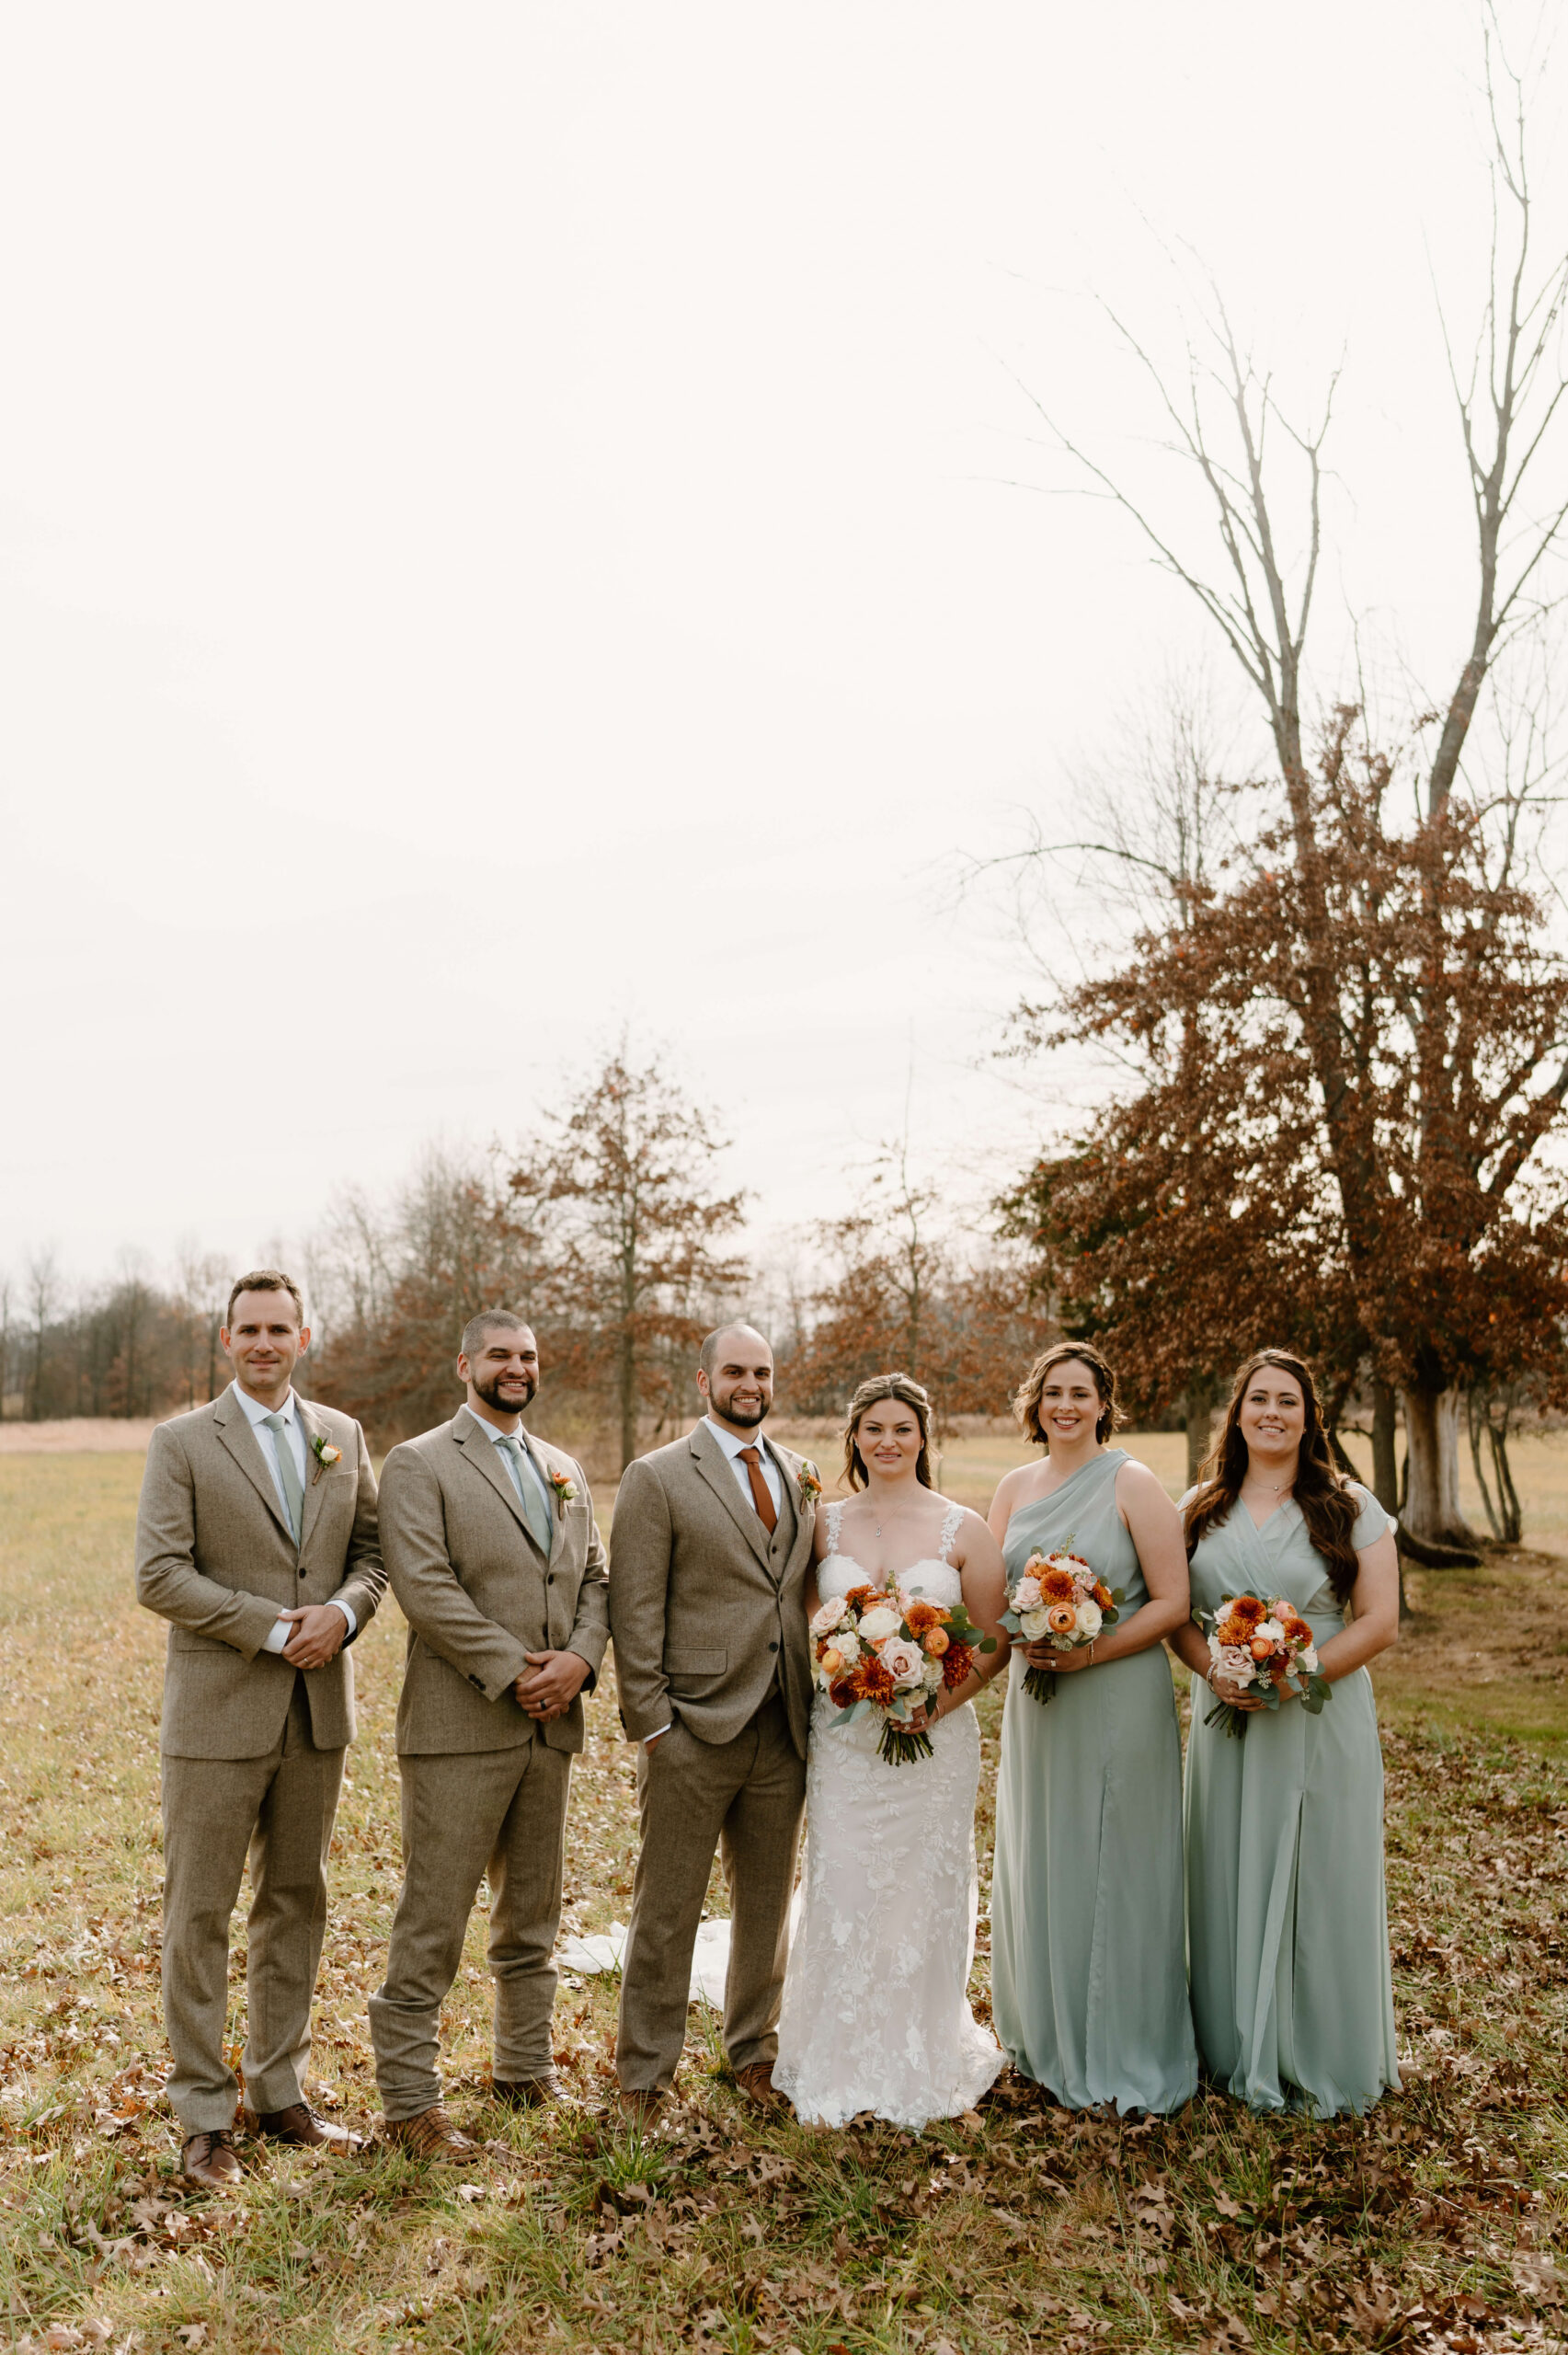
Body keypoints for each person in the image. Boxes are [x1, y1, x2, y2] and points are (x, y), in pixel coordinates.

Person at [135, 1269, 385, 2188]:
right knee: (198, 1914)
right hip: (217, 1712)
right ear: (226, 1341)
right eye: (250, 1328)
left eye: (281, 1327)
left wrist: (346, 1614)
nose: (265, 1341)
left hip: (318, 1714)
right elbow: (158, 1574)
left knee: (298, 1901)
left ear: (305, 1336)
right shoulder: (183, 1442)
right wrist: (277, 1626)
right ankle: (203, 2115)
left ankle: (280, 2091)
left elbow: (372, 1551)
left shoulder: (343, 1437)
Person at [368, 1312, 608, 2158]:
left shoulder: (563, 1468)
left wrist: (579, 1660)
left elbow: (597, 1578)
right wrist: (517, 1670)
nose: (516, 1368)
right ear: (464, 1362)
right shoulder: (421, 1462)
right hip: (460, 1727)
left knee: (532, 1915)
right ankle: (408, 2105)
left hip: (552, 1726)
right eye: (500, 1355)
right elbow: (424, 1586)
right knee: (433, 1918)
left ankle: (522, 2069)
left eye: (529, 1356)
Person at [773, 1373, 1011, 2129]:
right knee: (843, 1876)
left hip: (934, 1741)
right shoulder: (823, 1524)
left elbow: (995, 1639)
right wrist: (849, 1671)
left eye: (901, 1428)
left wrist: (932, 1702)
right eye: (872, 1427)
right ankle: (836, 2047)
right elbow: (809, 1619)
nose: (886, 1441)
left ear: (922, 1437)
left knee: (918, 1890)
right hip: (844, 1740)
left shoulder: (961, 1528)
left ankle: (919, 2046)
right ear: (853, 1437)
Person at [1171, 1349, 1401, 2116]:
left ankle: (1318, 2047)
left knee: (1319, 1871)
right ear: (1236, 1413)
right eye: (1258, 1399)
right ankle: (1233, 2047)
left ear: (1309, 1418)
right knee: (1225, 1866)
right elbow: (1178, 1619)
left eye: (1288, 1402)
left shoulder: (1349, 1505)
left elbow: (1379, 1623)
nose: (1272, 1413)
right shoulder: (1199, 1507)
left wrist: (1292, 1676)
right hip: (1225, 1721)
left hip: (1319, 1716)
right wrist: (1215, 1671)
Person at [610, 1325, 818, 2121]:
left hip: (783, 1722)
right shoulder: (656, 1476)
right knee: (667, 1905)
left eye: (761, 1372)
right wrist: (654, 1723)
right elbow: (633, 1607)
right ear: (703, 1380)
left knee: (767, 1906)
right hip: (691, 1725)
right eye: (734, 1370)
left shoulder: (799, 1473)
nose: (750, 1384)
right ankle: (644, 2071)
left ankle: (752, 2052)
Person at [987, 1342, 1198, 2114]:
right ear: (1034, 1403)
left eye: (1080, 1392)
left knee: (1115, 1858)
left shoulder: (1133, 1482)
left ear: (1104, 1403)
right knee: (1046, 1850)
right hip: (1036, 1700)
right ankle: (1042, 2035)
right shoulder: (1011, 1486)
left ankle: (1121, 2042)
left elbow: (1171, 1600)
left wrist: (1092, 1651)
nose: (1064, 1406)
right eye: (1051, 1392)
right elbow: (993, 1598)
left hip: (1114, 1695)